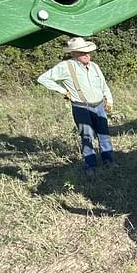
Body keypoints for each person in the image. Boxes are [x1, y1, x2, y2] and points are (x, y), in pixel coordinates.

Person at [38, 37, 114, 177]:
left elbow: (104, 85)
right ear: (73, 54)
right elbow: (43, 78)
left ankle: (108, 161)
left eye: (87, 52)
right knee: (86, 136)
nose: (86, 55)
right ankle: (90, 165)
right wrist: (62, 91)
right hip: (81, 107)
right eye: (81, 52)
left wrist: (109, 100)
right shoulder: (66, 66)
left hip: (99, 106)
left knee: (104, 134)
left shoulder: (95, 66)